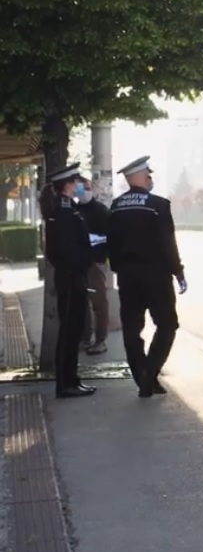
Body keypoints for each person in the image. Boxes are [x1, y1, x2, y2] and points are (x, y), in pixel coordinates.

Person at [106, 156, 186, 398]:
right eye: (148, 175)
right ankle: (149, 374)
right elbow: (167, 242)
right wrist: (178, 271)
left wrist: (120, 268)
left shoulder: (116, 206)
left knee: (132, 328)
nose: (151, 179)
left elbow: (111, 243)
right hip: (156, 276)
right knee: (167, 324)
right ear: (140, 177)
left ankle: (142, 377)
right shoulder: (158, 205)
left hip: (127, 276)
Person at [42, 163, 97, 399]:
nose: (79, 186)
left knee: (73, 330)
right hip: (72, 276)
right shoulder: (64, 212)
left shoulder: (65, 208)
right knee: (70, 331)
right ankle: (66, 384)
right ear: (67, 185)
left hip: (72, 276)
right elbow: (67, 249)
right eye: (76, 182)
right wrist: (84, 261)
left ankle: (71, 380)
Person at [75, 176, 112, 355]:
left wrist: (94, 244)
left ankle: (100, 340)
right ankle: (85, 337)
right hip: (78, 264)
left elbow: (110, 236)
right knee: (81, 304)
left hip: (95, 263)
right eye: (81, 189)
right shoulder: (74, 210)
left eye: (87, 188)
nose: (84, 192)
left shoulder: (101, 210)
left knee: (99, 303)